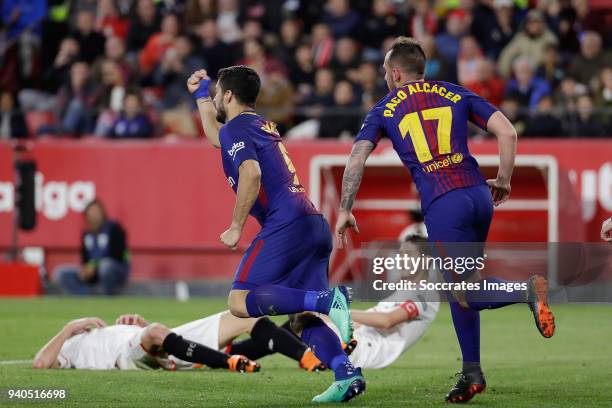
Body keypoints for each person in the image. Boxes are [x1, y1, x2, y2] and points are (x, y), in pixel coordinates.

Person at [334, 36, 556, 404]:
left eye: (385, 72)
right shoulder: (456, 93)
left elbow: (357, 158)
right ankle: (471, 373)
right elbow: (507, 132)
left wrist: (345, 208)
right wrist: (503, 179)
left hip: (443, 203)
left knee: (465, 289)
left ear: (395, 72)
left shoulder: (384, 109)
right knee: (462, 287)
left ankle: (527, 291)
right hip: (478, 195)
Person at [187, 65, 365, 403]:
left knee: (238, 302)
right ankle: (347, 374)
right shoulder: (257, 124)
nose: (214, 99)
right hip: (312, 222)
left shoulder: (237, 128)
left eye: (215, 94)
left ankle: (329, 300)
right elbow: (215, 136)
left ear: (228, 95)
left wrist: (237, 225)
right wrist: (199, 94)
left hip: (287, 224)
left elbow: (250, 173)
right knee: (302, 319)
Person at [334, 235, 440, 369]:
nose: (402, 260)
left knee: (315, 327)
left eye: (409, 255)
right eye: (400, 255)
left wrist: (340, 311)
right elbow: (361, 321)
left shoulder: (426, 295)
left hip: (370, 350)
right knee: (311, 318)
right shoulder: (401, 293)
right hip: (360, 340)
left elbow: (387, 321)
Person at [32, 312, 261, 372]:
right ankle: (228, 362)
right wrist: (69, 328)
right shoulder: (69, 349)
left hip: (142, 342)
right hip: (125, 357)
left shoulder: (96, 333)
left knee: (237, 324)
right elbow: (41, 363)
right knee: (155, 332)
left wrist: (138, 325)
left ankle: (292, 333)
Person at [52, 199, 129, 296]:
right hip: (92, 273)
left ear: (102, 213)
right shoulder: (86, 234)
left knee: (105, 266)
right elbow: (84, 259)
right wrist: (84, 270)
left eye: (96, 212)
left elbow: (118, 255)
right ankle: (88, 296)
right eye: (91, 212)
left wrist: (95, 266)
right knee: (60, 273)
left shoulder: (115, 228)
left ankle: (108, 296)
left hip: (115, 270)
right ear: (86, 216)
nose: (94, 215)